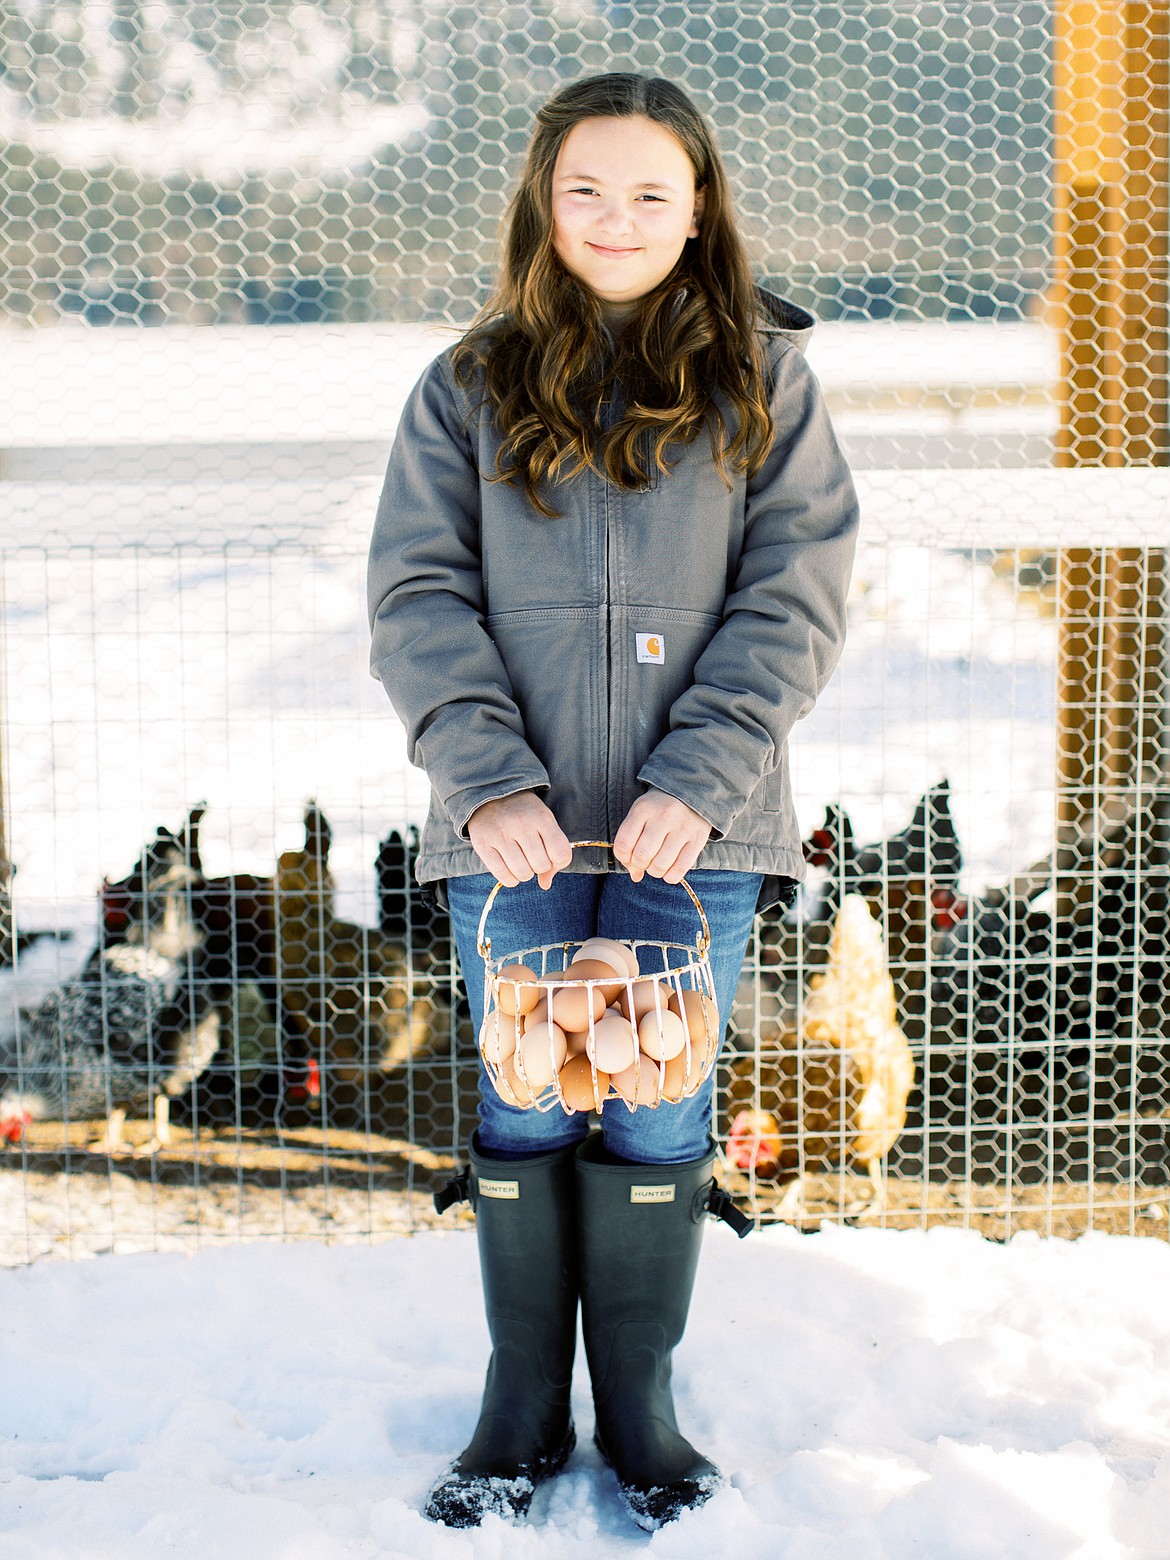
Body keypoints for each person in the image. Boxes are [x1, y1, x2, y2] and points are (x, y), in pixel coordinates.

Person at [367, 71, 858, 1531]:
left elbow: (796, 595)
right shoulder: (465, 383)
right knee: (527, 1096)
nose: (616, 217)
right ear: (540, 199)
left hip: (692, 827)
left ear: (699, 207)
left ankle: (640, 1412)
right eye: (586, 188)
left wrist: (698, 782)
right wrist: (486, 776)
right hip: (509, 826)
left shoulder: (765, 379)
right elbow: (415, 596)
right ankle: (518, 1410)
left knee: (654, 1097)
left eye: (651, 191)